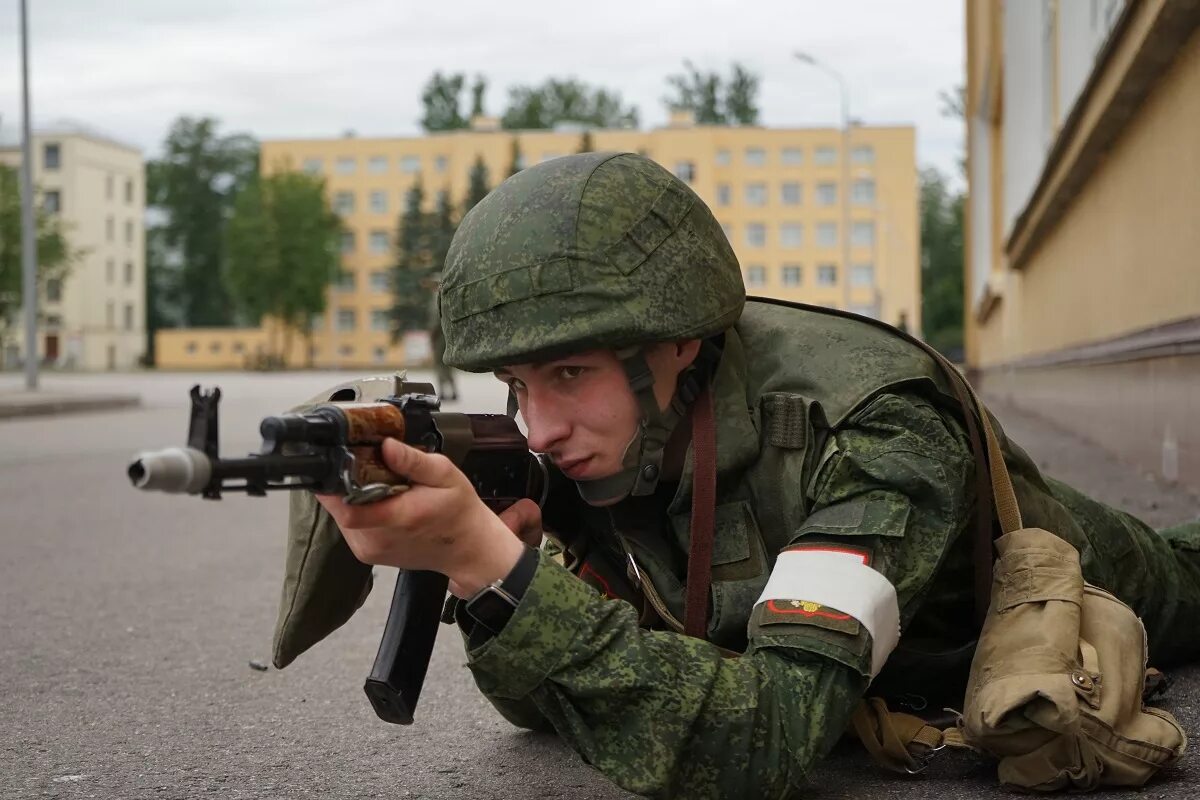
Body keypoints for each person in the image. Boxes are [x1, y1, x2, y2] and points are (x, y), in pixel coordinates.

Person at [307, 153, 1200, 798]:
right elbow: (541, 712)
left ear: (678, 345)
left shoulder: (873, 426)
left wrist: (496, 569)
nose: (539, 425)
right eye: (516, 386)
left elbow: (763, 742)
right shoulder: (614, 444)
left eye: (570, 374)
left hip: (1044, 571)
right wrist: (504, 579)